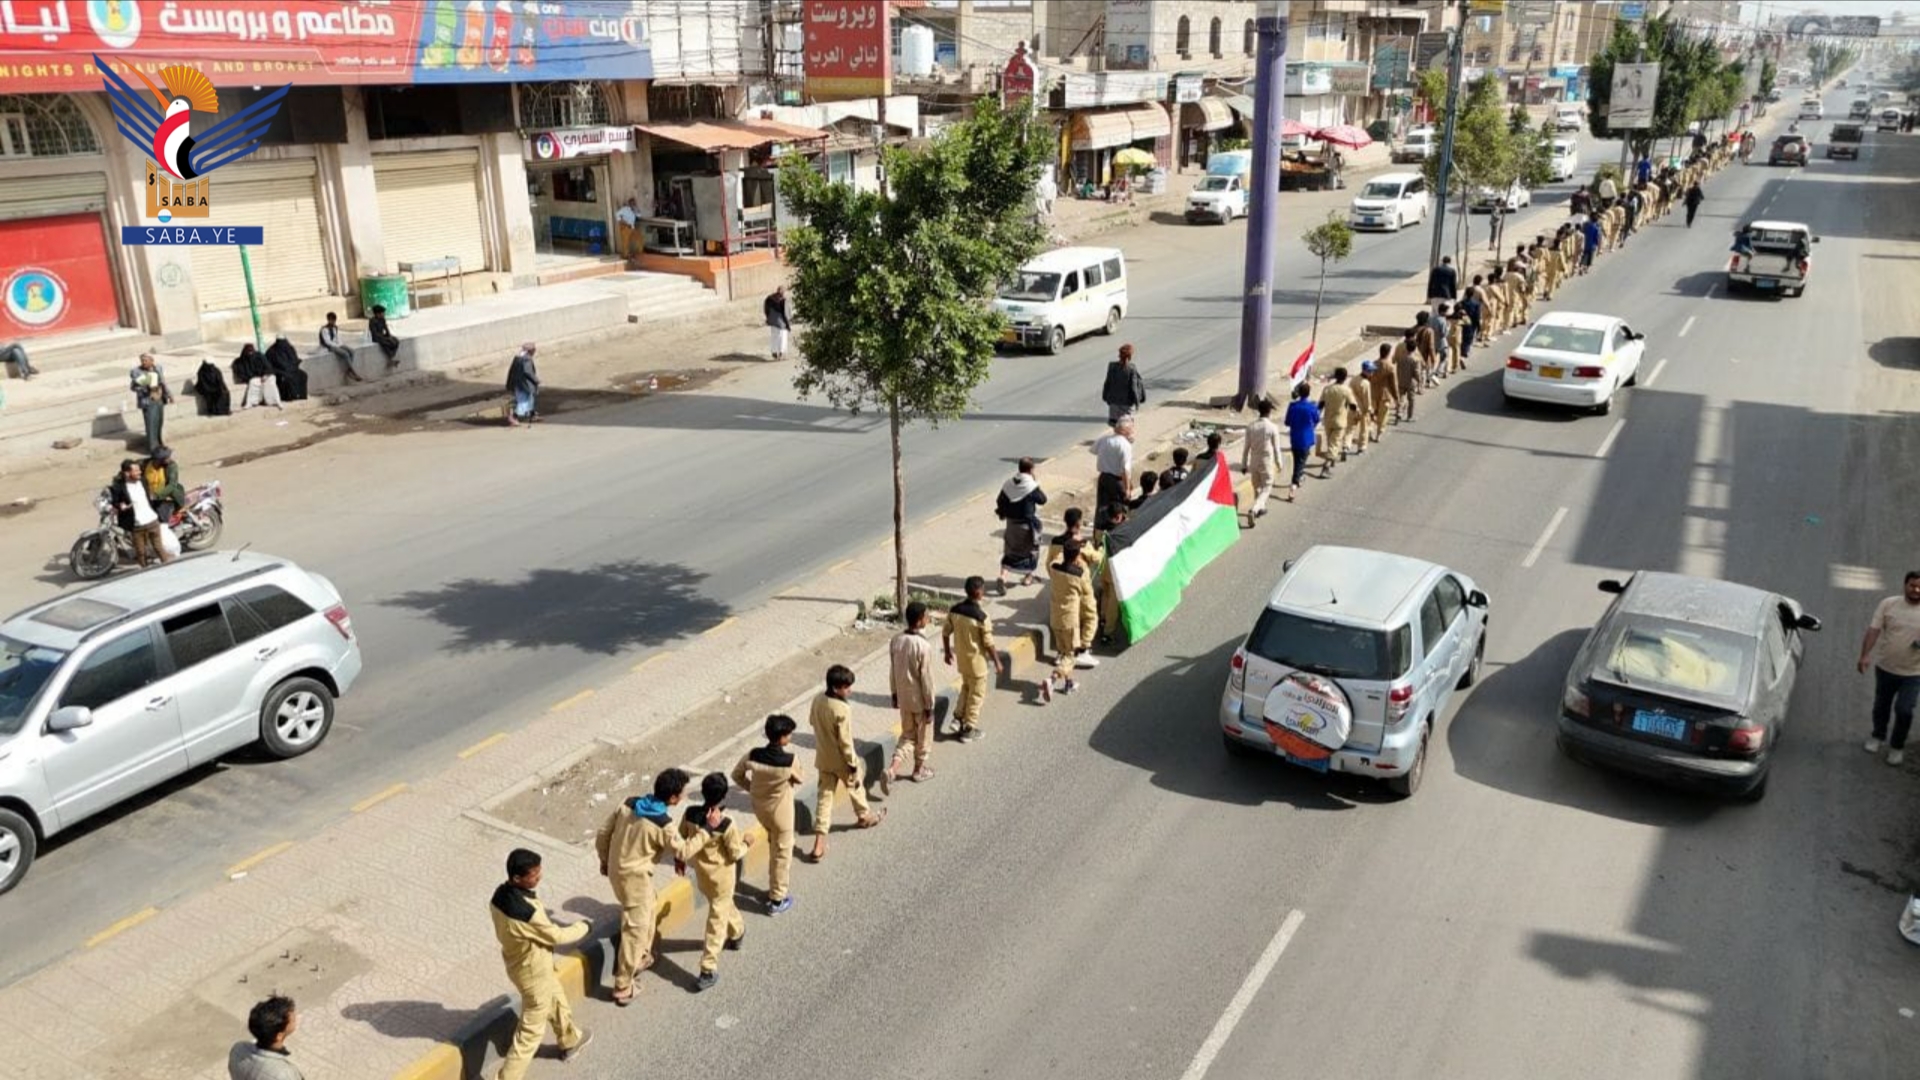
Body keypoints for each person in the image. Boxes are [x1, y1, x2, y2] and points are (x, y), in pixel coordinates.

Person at [595, 767, 698, 1006]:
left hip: (616, 871)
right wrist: (706, 832)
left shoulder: (629, 803)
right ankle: (623, 985)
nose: (683, 797)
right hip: (635, 880)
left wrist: (604, 859)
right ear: (673, 798)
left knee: (650, 905)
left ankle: (641, 956)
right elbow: (683, 851)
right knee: (635, 929)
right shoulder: (663, 824)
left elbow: (603, 833)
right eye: (682, 793)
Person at [489, 848, 594, 1079]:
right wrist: (584, 927)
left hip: (523, 965)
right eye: (534, 875)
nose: (539, 877)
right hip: (533, 971)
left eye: (539, 871)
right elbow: (556, 936)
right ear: (517, 878)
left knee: (556, 996)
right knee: (530, 1033)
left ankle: (570, 1040)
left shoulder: (499, 896)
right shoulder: (526, 913)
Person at [678, 772, 755, 993]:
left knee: (721, 906)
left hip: (702, 874)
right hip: (722, 877)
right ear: (723, 796)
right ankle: (708, 968)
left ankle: (738, 931)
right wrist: (747, 842)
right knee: (716, 921)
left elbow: (683, 836)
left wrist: (681, 859)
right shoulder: (727, 823)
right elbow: (734, 854)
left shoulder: (690, 813)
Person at [807, 664, 883, 862]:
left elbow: (812, 722)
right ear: (835, 688)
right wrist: (852, 764)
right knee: (855, 785)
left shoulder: (817, 700)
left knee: (824, 799)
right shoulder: (842, 709)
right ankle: (864, 816)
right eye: (846, 687)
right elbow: (846, 741)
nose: (850, 690)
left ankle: (819, 844)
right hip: (841, 760)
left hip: (823, 758)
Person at [731, 715, 806, 914]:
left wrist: (752, 789)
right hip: (781, 812)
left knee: (773, 842)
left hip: (759, 807)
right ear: (782, 738)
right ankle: (777, 899)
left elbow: (736, 774)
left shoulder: (753, 754)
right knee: (782, 853)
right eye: (788, 734)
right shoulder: (789, 760)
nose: (790, 737)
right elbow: (799, 778)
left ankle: (774, 889)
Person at [1859, 571, 1920, 767]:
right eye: (1912, 585)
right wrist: (1865, 655)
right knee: (1881, 706)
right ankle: (1878, 736)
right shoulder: (1889, 604)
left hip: (1913, 673)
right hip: (1885, 668)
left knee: (1904, 710)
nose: (1916, 590)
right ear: (1905, 585)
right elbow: (1873, 630)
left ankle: (1897, 747)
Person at [885, 602, 937, 788]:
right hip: (920, 702)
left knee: (907, 735)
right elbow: (927, 680)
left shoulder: (896, 640)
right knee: (923, 737)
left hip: (904, 699)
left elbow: (893, 670)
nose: (928, 618)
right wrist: (930, 706)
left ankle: (892, 768)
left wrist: (894, 693)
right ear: (919, 620)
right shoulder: (923, 646)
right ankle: (919, 770)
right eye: (927, 615)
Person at [943, 577, 1000, 743]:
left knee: (966, 688)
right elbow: (988, 643)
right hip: (978, 664)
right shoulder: (982, 617)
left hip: (963, 661)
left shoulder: (955, 610)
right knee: (976, 695)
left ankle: (957, 718)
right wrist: (997, 661)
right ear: (979, 593)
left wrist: (947, 652)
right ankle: (969, 728)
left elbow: (946, 632)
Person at [1044, 540, 1095, 702]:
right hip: (1070, 621)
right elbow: (1087, 592)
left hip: (1055, 617)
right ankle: (1052, 679)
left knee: (1063, 651)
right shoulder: (1078, 575)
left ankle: (1068, 683)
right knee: (1070, 656)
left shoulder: (1054, 568)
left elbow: (1057, 559)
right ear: (1076, 557)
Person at [996, 458, 1047, 592]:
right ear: (1031, 470)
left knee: (1010, 550)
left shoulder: (1009, 483)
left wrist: (1004, 513)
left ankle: (1003, 576)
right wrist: (1036, 483)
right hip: (1027, 526)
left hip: (1011, 524)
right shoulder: (1030, 486)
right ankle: (1028, 578)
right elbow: (1042, 500)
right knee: (1031, 552)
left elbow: (1000, 500)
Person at [228, 994, 304, 1080]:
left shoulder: (238, 1049)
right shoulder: (284, 1074)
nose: (297, 1018)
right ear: (279, 1036)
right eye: (293, 1020)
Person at [111, 458, 169, 568]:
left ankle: (168, 567)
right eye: (136, 470)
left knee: (159, 548)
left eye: (139, 470)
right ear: (127, 473)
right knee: (141, 553)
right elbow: (115, 501)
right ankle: (145, 572)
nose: (140, 472)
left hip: (152, 521)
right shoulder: (119, 487)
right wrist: (120, 506)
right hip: (137, 526)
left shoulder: (143, 481)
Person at [1317, 368, 1357, 475]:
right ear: (1345, 378)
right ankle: (1326, 467)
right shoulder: (1346, 390)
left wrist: (1316, 418)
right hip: (1340, 421)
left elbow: (1320, 405)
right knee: (1334, 444)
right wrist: (1357, 414)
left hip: (1327, 420)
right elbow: (1353, 405)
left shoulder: (1327, 389)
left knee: (1331, 442)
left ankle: (1332, 460)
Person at [129, 353, 171, 453]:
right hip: (147, 400)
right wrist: (145, 387)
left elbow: (163, 382)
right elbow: (133, 387)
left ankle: (159, 444)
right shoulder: (136, 372)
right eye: (142, 361)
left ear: (152, 361)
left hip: (159, 398)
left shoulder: (158, 368)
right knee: (151, 424)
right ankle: (153, 448)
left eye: (146, 360)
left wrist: (169, 394)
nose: (144, 363)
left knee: (158, 422)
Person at [1092, 416, 1134, 509]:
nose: (1133, 432)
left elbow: (1094, 450)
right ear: (1125, 431)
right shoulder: (1125, 445)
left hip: (1103, 477)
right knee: (1119, 507)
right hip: (1116, 480)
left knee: (1102, 506)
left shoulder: (1104, 439)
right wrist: (1127, 488)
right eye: (1131, 429)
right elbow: (1125, 469)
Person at [1101, 343, 1146, 423]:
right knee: (1126, 428)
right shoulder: (1131, 369)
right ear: (1130, 357)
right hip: (1126, 404)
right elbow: (1133, 388)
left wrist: (1105, 397)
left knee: (1116, 426)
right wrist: (1137, 403)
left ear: (1119, 355)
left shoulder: (1112, 366)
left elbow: (1107, 383)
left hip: (1113, 403)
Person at [231, 343, 281, 410]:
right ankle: (251, 403)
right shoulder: (243, 360)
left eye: (251, 352)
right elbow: (244, 372)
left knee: (271, 381)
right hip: (255, 377)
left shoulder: (259, 356)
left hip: (266, 375)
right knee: (252, 382)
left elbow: (268, 367)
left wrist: (265, 375)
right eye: (248, 353)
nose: (250, 354)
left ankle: (275, 401)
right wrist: (255, 376)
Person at [143, 446, 185, 523]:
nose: (170, 459)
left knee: (163, 519)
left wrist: (157, 495)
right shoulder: (145, 464)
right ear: (159, 460)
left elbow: (172, 485)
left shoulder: (171, 466)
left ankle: (180, 509)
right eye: (167, 457)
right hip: (149, 494)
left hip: (163, 494)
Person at [317, 312, 362, 383]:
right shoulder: (324, 329)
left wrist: (341, 344)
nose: (333, 322)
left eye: (334, 320)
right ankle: (354, 372)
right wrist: (337, 346)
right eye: (331, 320)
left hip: (337, 344)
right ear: (328, 320)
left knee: (352, 351)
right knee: (345, 354)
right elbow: (327, 342)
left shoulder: (335, 328)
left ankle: (349, 370)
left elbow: (337, 338)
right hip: (329, 346)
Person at [1365, 343, 1398, 436]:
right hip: (1385, 395)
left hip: (1373, 393)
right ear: (1388, 353)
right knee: (1383, 416)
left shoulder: (1373, 364)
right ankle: (1378, 434)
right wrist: (1396, 397)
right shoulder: (1390, 367)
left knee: (1371, 414)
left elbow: (1367, 378)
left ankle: (1370, 431)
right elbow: (1393, 384)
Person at [264, 335, 308, 401]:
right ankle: (288, 396)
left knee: (303, 375)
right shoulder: (271, 351)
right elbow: (269, 365)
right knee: (287, 378)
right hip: (278, 371)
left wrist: (292, 366)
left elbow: (294, 359)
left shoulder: (289, 348)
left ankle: (300, 395)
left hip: (291, 369)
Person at [506, 342, 539, 427]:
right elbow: (528, 372)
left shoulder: (518, 358)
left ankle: (532, 414)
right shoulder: (526, 359)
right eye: (534, 350)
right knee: (524, 401)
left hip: (517, 383)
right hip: (524, 384)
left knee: (528, 399)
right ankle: (514, 417)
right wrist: (536, 380)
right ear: (530, 351)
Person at [1392, 329, 1421, 423]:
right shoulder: (1415, 358)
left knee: (1401, 397)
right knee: (1411, 399)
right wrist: (1419, 381)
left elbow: (1394, 360)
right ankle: (1410, 416)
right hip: (1411, 382)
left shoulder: (1400, 350)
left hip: (1400, 378)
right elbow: (1416, 372)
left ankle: (1399, 412)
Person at [1347, 360, 1375, 453]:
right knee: (1364, 429)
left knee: (1350, 429)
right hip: (1363, 410)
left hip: (1353, 408)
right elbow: (1367, 400)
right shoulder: (1366, 383)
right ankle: (1361, 446)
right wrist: (1369, 411)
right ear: (1366, 371)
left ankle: (1346, 445)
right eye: (1371, 371)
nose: (1372, 373)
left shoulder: (1353, 379)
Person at [763, 284, 791, 361]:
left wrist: (768, 317)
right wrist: (788, 325)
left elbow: (765, 309)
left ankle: (774, 352)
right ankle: (781, 353)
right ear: (783, 292)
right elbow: (786, 313)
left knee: (774, 336)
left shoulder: (769, 298)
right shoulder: (783, 301)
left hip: (772, 321)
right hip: (781, 322)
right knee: (782, 337)